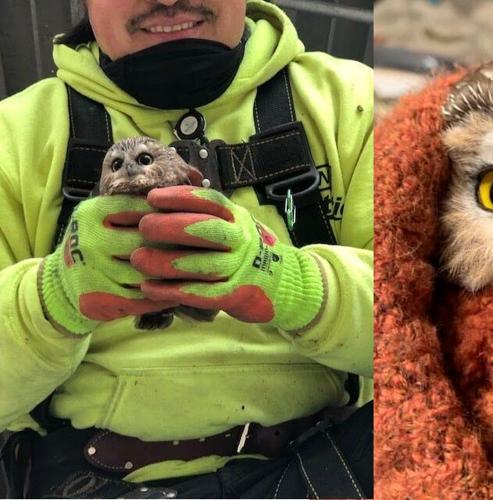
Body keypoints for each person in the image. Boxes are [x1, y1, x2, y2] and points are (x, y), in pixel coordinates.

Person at [0, 0, 372, 497]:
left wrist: (297, 285)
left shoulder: (354, 102)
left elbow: (443, 327)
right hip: (94, 479)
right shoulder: (13, 136)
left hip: (326, 458)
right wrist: (49, 299)